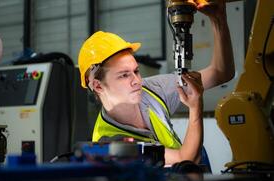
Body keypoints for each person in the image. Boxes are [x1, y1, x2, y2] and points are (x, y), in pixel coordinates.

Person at [77, 0, 235, 166]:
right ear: (98, 86)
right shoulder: (109, 142)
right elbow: (187, 160)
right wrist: (196, 107)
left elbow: (221, 72)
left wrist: (219, 19)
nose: (136, 81)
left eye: (136, 71)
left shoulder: (151, 89)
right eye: (124, 76)